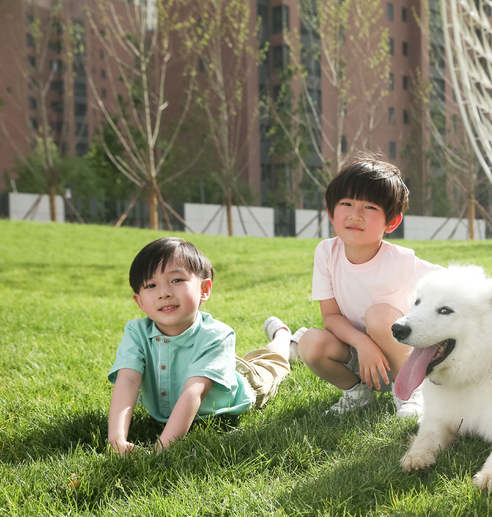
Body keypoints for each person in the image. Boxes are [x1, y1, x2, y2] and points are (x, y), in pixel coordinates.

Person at [270, 152, 440, 418]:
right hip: (359, 356)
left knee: (380, 315)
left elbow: (455, 282)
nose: (356, 215)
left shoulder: (401, 261)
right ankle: (357, 393)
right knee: (311, 343)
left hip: (402, 358)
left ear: (392, 221)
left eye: (370, 207)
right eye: (347, 203)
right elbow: (331, 317)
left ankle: (409, 392)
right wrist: (364, 344)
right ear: (331, 212)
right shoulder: (326, 253)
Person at [108, 237, 293, 454]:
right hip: (214, 363)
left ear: (204, 289)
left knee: (271, 362)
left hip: (245, 385)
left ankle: (284, 338)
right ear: (139, 302)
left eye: (176, 280)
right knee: (250, 359)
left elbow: (192, 393)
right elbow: (128, 380)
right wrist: (117, 440)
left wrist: (162, 449)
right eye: (151, 285)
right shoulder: (136, 332)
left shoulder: (218, 335)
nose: (164, 292)